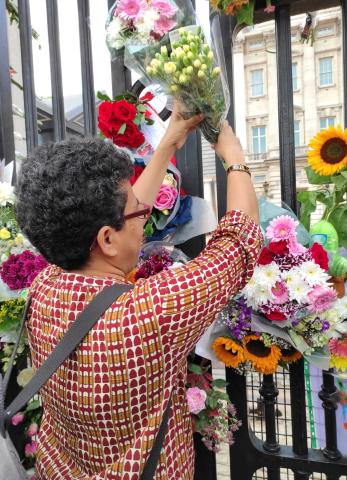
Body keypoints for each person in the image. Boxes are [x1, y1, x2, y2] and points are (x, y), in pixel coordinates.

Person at [16, 105, 262, 479]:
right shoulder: (149, 312)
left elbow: (125, 215)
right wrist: (234, 158)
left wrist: (168, 142)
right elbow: (238, 244)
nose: (144, 220)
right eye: (135, 212)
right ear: (107, 239)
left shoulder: (46, 284)